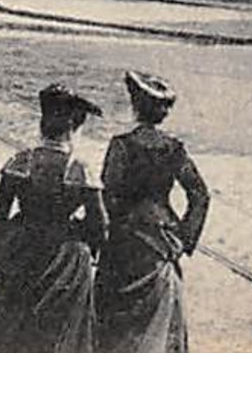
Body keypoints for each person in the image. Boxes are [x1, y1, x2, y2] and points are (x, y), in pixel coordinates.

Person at [0, 85, 105, 352]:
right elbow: (99, 226)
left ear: (42, 124)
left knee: (11, 330)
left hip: (19, 249)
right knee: (59, 336)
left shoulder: (22, 160)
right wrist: (83, 240)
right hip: (64, 257)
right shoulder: (79, 168)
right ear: (73, 128)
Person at [95, 71, 210, 353]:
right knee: (163, 323)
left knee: (113, 322)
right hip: (162, 241)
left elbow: (108, 194)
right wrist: (184, 239)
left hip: (125, 241)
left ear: (135, 105)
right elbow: (200, 195)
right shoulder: (174, 149)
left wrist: (101, 236)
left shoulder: (121, 146)